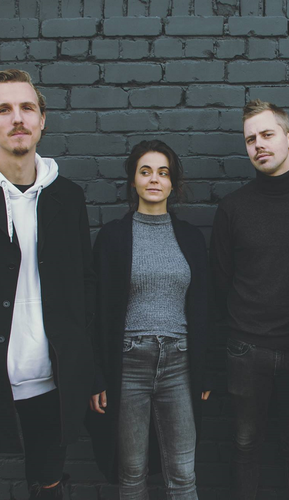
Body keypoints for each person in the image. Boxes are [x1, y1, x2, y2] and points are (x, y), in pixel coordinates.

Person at [210, 99, 289, 499]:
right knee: (245, 443)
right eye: (251, 139)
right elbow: (219, 285)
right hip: (245, 349)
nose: (259, 145)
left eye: (267, 134)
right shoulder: (232, 208)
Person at [86, 140, 212, 499]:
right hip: (128, 364)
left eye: (163, 172)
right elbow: (95, 310)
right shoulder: (112, 237)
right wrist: (96, 375)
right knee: (132, 472)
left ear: (173, 183)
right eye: (146, 171)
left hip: (179, 363)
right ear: (133, 181)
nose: (154, 179)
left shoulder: (190, 237)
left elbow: (205, 306)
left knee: (183, 473)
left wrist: (204, 370)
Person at [0, 69, 96, 499]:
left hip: (49, 380)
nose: (17, 118)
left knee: (49, 484)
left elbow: (85, 283)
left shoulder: (68, 196)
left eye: (27, 108)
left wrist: (85, 364)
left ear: (42, 120)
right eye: (3, 109)